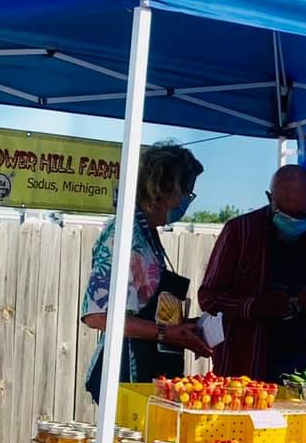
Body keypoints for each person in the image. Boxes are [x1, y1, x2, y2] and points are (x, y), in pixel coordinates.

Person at [81, 143, 212, 402]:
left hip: (153, 373)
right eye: (187, 192)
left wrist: (184, 327)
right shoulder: (123, 234)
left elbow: (146, 307)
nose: (187, 201)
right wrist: (165, 333)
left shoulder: (148, 234)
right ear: (166, 189)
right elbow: (97, 316)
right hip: (128, 376)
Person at [198, 164, 306, 381]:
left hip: (304, 372)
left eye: (302, 214)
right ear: (270, 199)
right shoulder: (239, 233)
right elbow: (208, 297)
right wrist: (257, 305)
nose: (294, 221)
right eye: (286, 212)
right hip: (245, 370)